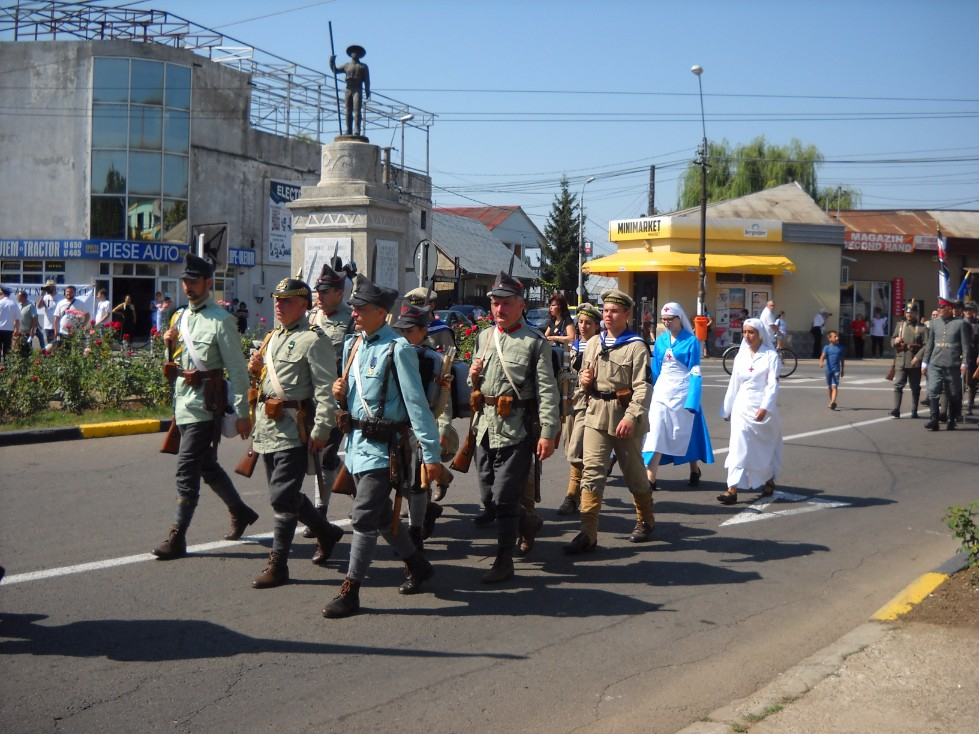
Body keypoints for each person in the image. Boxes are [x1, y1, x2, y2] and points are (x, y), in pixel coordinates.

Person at [322, 274, 442, 619]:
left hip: (385, 449)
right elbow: (352, 396)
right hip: (356, 444)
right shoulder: (353, 344)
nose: (354, 313)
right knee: (377, 516)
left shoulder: (398, 348)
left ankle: (351, 589)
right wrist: (339, 393)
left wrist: (431, 455)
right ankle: (418, 565)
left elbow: (416, 404)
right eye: (354, 308)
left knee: (362, 516)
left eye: (361, 308)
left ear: (380, 312)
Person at [151, 254, 259, 561]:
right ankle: (240, 511)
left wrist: (243, 413)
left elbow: (237, 371)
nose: (188, 287)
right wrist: (168, 343)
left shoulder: (222, 320)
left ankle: (177, 536)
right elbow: (173, 362)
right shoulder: (179, 317)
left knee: (187, 469)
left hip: (206, 406)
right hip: (182, 404)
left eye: (193, 282)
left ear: (208, 283)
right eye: (185, 281)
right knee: (206, 466)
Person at [246, 277, 344, 589]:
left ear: (303, 304)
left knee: (280, 497)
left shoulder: (314, 340)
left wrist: (322, 429)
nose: (279, 304)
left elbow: (326, 391)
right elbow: (265, 383)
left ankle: (278, 565)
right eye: (277, 299)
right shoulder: (272, 337)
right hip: (267, 428)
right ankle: (326, 531)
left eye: (286, 300)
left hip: (294, 430)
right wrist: (255, 368)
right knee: (284, 495)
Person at [466, 271, 560, 581]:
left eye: (506, 303)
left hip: (516, 430)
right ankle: (528, 522)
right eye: (494, 303)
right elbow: (475, 382)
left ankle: (503, 561)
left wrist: (548, 433)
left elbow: (548, 392)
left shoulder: (535, 343)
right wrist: (474, 374)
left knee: (505, 498)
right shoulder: (484, 336)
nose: (499, 309)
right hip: (483, 427)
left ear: (521, 305)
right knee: (489, 497)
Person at [563, 288, 653, 553]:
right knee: (592, 471)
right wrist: (584, 381)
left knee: (634, 473)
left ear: (627, 314)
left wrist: (631, 416)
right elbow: (583, 377)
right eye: (606, 311)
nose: (608, 315)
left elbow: (643, 387)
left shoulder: (636, 346)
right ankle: (588, 533)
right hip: (597, 413)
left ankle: (645, 519)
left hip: (624, 417)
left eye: (614, 311)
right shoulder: (593, 343)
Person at [391, 300, 456, 549]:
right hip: (395, 427)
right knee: (399, 480)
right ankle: (428, 511)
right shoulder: (393, 351)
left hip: (420, 427)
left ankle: (416, 530)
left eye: (410, 331)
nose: (405, 336)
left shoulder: (433, 360)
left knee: (416, 482)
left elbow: (442, 401)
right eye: (402, 331)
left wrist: (441, 430)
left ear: (423, 330)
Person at [302, 262, 355, 538]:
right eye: (317, 291)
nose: (318, 296)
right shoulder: (312, 317)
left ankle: (320, 512)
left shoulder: (351, 320)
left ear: (339, 292)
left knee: (326, 456)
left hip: (337, 400)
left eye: (324, 291)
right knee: (315, 454)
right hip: (311, 398)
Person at [641, 302, 715, 492]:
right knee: (656, 431)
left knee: (685, 432)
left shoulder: (691, 341)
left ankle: (693, 469)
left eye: (669, 319)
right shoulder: (660, 341)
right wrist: (649, 392)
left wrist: (693, 399)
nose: (666, 323)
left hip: (682, 391)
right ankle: (651, 477)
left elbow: (695, 372)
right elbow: (656, 369)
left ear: (679, 319)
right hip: (662, 392)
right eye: (663, 320)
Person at [717, 319, 782, 505]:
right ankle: (732, 488)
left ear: (760, 333)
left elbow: (772, 385)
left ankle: (768, 478)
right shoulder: (741, 356)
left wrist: (765, 407)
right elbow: (734, 384)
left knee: (761, 448)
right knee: (737, 446)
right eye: (744, 332)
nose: (747, 336)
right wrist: (727, 409)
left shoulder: (771, 356)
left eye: (751, 332)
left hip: (762, 408)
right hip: (742, 406)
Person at [556, 302, 601, 515]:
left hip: (587, 403)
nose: (583, 326)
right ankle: (578, 495)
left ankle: (572, 496)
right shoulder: (573, 345)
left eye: (588, 323)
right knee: (570, 448)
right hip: (570, 403)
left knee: (577, 451)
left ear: (596, 326)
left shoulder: (598, 346)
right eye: (580, 322)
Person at [920, 297, 971, 431]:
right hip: (936, 363)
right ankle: (934, 419)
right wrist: (925, 362)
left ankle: (952, 419)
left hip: (952, 364)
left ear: (949, 309)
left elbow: (966, 346)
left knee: (953, 393)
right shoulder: (934, 323)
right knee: (933, 391)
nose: (939, 310)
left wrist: (965, 362)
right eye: (939, 307)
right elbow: (930, 344)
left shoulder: (960, 323)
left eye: (941, 308)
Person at [890, 303, 927, 418]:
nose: (908, 314)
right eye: (907, 312)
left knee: (915, 387)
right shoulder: (899, 325)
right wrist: (895, 341)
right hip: (901, 359)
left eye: (911, 312)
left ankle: (914, 410)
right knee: (898, 385)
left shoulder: (922, 328)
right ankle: (896, 409)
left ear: (916, 313)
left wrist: (918, 357)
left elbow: (927, 345)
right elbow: (892, 340)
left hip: (913, 360)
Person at [329, 44, 370, 137]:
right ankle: (348, 129)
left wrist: (367, 90)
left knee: (357, 110)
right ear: (351, 54)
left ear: (360, 54)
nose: (355, 53)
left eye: (357, 52)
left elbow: (367, 80)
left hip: (357, 89)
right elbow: (335, 70)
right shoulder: (346, 65)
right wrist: (331, 61)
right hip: (348, 89)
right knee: (348, 110)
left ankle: (357, 130)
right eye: (353, 52)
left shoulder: (363, 66)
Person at [404, 286, 455, 353]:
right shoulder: (407, 329)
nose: (416, 311)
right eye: (413, 308)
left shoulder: (442, 331)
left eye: (420, 308)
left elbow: (450, 358)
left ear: (432, 306)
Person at [820, 330, 846, 410]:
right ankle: (831, 400)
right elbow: (822, 357)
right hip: (828, 370)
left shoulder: (841, 348)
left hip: (836, 370)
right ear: (830, 339)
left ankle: (833, 402)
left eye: (837, 336)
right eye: (835, 336)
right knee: (829, 387)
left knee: (834, 386)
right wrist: (821, 362)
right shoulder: (826, 347)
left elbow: (842, 360)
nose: (837, 337)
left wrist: (842, 370)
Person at [964, 300, 979, 415]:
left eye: (970, 310)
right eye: (966, 310)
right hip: (960, 356)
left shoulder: (977, 324)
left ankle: (969, 404)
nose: (968, 312)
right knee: (959, 381)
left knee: (972, 381)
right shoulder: (959, 323)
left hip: (973, 355)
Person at [14, 289, 36, 356]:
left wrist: (32, 330)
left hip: (27, 333)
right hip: (19, 332)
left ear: (23, 297)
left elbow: (34, 318)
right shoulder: (19, 305)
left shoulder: (30, 306)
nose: (17, 298)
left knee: (26, 351)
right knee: (19, 351)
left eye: (18, 296)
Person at [0, 286, 20, 360]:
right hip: (8, 329)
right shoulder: (13, 304)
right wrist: (16, 329)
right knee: (7, 350)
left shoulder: (0, 303)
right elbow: (17, 318)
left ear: (3, 294)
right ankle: (6, 366)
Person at [36, 279, 57, 345]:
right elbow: (38, 306)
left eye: (49, 287)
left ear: (54, 287)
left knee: (58, 345)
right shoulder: (45, 297)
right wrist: (42, 295)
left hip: (58, 325)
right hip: (48, 325)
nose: (48, 289)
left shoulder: (61, 297)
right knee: (50, 344)